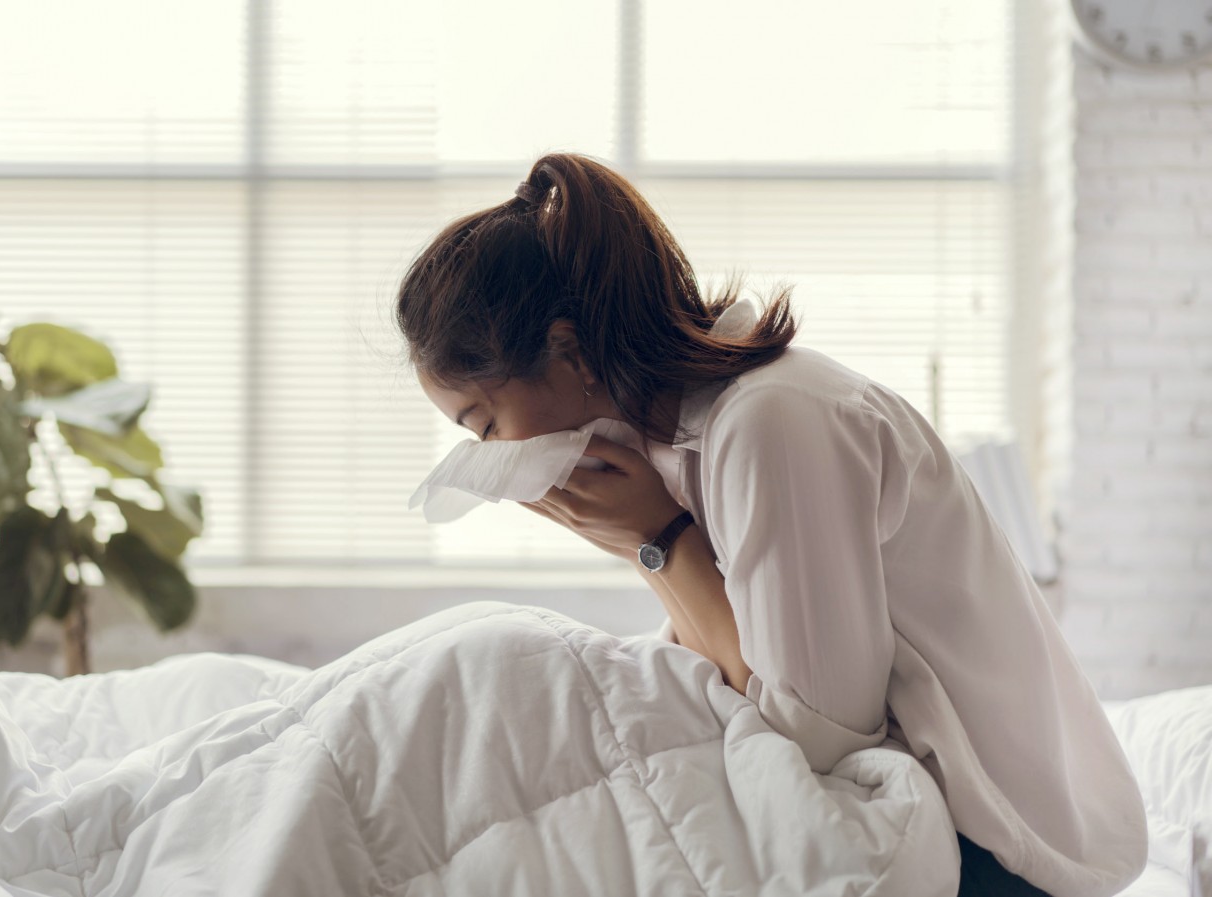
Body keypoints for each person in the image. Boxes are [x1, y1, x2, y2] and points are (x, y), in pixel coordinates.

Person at [393, 151, 1148, 897]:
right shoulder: (681, 447)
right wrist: (647, 540)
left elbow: (816, 733)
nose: (495, 456)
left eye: (485, 423)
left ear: (566, 352)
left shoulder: (771, 420)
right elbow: (729, 669)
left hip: (1000, 840)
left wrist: (656, 538)